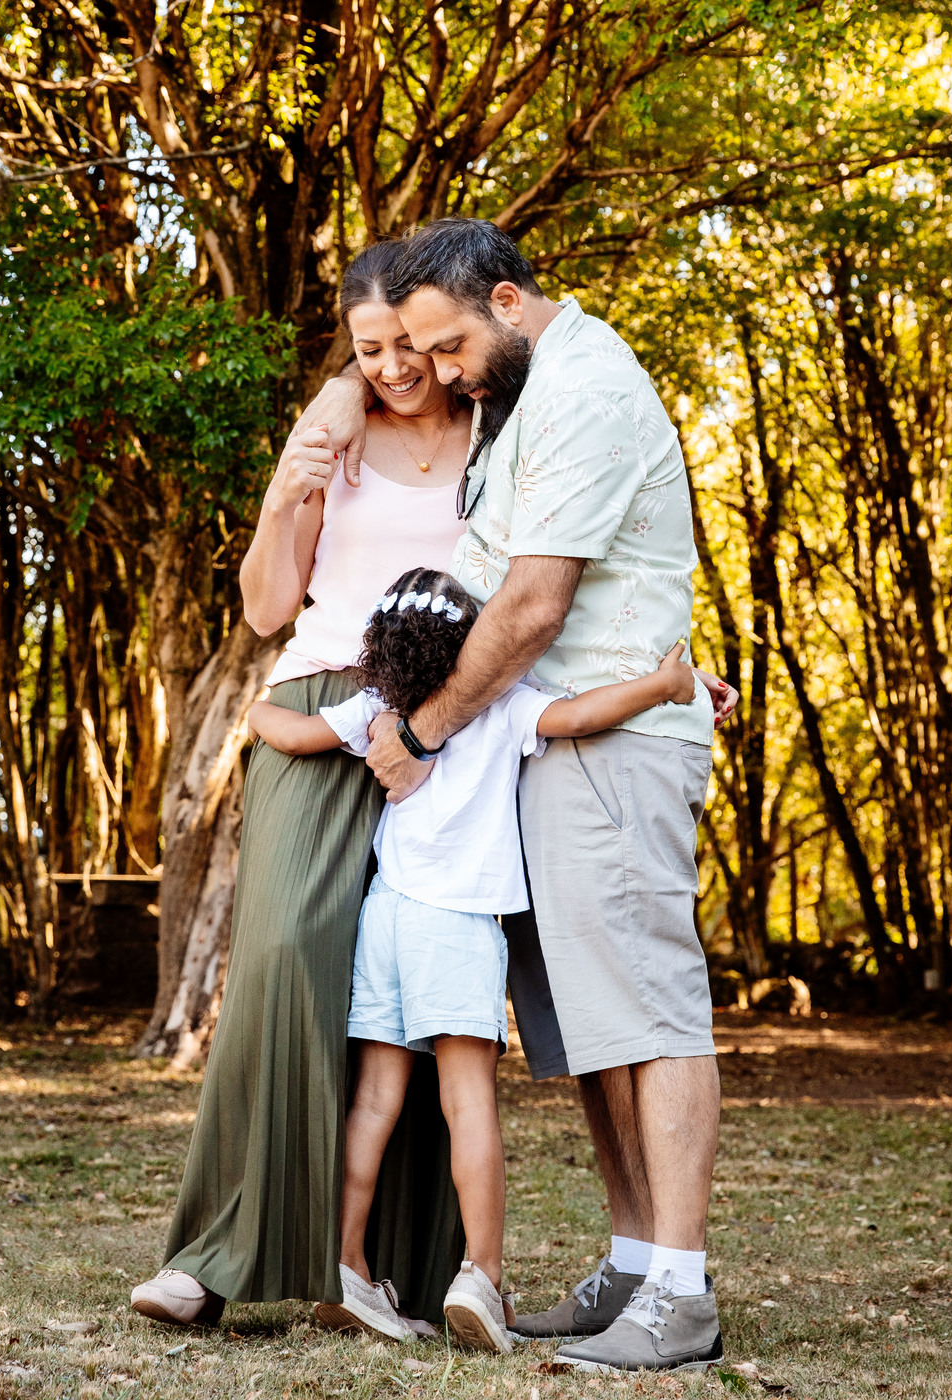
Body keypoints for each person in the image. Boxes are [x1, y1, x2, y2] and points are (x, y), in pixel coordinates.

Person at [301, 218, 739, 1374]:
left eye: (446, 348)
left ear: (506, 299)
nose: (436, 376)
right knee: (592, 1030)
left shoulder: (585, 389)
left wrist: (421, 735)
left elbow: (536, 605)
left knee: (651, 1012)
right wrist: (340, 404)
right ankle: (637, 1264)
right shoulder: (518, 390)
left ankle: (682, 1294)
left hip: (613, 740)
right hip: (549, 752)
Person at [130, 243, 474, 1330]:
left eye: (408, 345)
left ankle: (381, 1266)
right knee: (284, 957)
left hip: (448, 720)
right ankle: (214, 1254)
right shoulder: (334, 428)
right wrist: (286, 498)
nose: (391, 368)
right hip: (320, 700)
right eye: (368, 350)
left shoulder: (496, 432)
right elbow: (267, 608)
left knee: (415, 992)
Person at [247, 565, 707, 1355]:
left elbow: (282, 729)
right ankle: (481, 1277)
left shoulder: (376, 712)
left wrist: (258, 703)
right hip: (456, 929)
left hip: (384, 920)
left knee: (374, 1102)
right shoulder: (501, 704)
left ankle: (350, 1266)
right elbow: (580, 714)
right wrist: (664, 686)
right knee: (468, 1106)